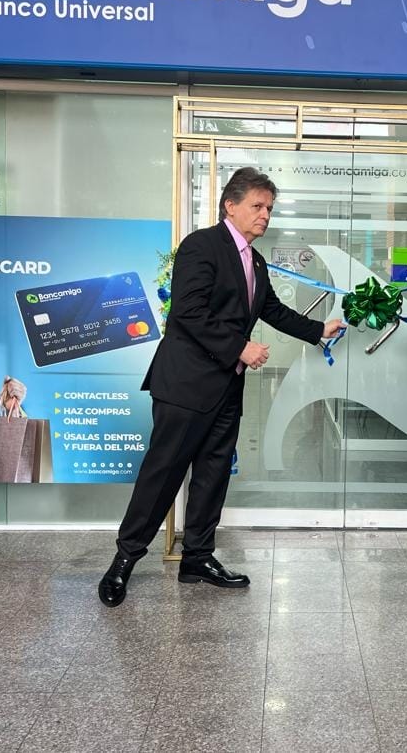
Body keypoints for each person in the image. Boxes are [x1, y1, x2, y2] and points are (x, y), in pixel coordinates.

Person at [98, 167, 344, 607]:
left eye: (269, 208)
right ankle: (124, 560)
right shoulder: (201, 245)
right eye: (257, 206)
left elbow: (271, 309)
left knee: (213, 475)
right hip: (186, 384)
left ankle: (197, 558)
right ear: (230, 206)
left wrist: (317, 330)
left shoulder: (256, 261)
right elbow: (188, 312)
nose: (265, 214)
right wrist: (240, 348)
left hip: (226, 387)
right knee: (163, 475)